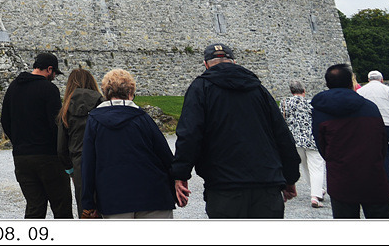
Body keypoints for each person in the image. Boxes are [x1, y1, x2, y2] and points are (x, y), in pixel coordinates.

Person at [170, 42, 299, 218]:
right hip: (266, 184)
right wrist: (290, 178)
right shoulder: (258, 89)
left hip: (224, 186)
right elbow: (283, 136)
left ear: (206, 64)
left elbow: (189, 135)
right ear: (234, 62)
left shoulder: (201, 88)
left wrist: (181, 174)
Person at [78, 69, 176, 219]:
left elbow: (88, 164)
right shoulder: (143, 118)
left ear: (106, 93)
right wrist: (176, 186)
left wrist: (88, 203)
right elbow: (166, 156)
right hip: (153, 195)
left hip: (113, 199)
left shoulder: (94, 121)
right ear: (130, 92)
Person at [311, 63, 389, 218]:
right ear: (351, 82)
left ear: (327, 84)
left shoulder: (321, 112)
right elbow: (382, 142)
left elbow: (322, 146)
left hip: (340, 177)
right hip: (373, 176)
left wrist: (335, 160)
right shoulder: (370, 107)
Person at [0, 51, 72, 218]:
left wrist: (18, 142)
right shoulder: (49, 89)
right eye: (54, 73)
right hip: (48, 157)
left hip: (22, 158)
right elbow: (56, 124)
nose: (54, 77)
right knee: (62, 207)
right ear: (49, 69)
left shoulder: (14, 87)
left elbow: (5, 120)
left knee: (34, 207)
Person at [55, 67, 101, 217]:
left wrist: (70, 170)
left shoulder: (66, 109)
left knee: (86, 210)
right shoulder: (101, 103)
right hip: (101, 161)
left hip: (79, 163)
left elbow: (61, 148)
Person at [280, 79, 327, 207]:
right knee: (316, 167)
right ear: (304, 91)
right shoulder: (310, 104)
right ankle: (315, 196)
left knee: (305, 167)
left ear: (291, 91)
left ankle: (317, 190)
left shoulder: (285, 103)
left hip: (294, 140)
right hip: (311, 139)